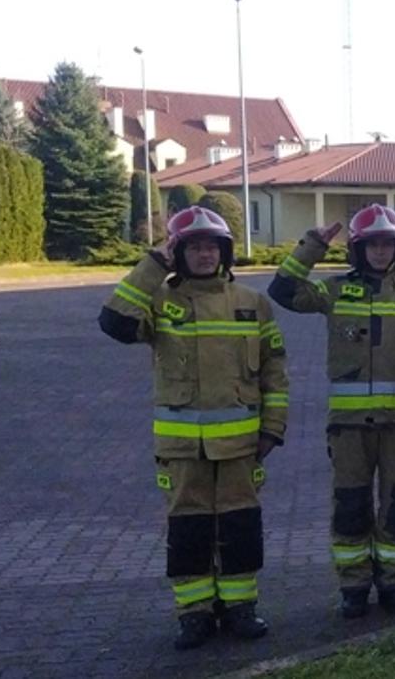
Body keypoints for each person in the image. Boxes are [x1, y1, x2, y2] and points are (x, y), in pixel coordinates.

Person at [98, 205, 288, 650]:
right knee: (189, 530)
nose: (204, 255)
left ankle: (241, 607)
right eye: (194, 247)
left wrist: (272, 429)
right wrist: (153, 264)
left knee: (240, 527)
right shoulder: (160, 301)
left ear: (225, 252)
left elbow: (274, 371)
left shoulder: (251, 303)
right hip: (184, 450)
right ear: (178, 252)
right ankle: (194, 613)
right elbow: (114, 322)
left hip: (242, 446)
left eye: (211, 247)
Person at [265, 204, 395, 619]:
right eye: (372, 244)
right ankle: (353, 587)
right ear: (358, 249)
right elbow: (281, 291)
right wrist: (312, 246)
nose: (380, 252)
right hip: (349, 428)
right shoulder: (334, 292)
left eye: (388, 244)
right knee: (351, 507)